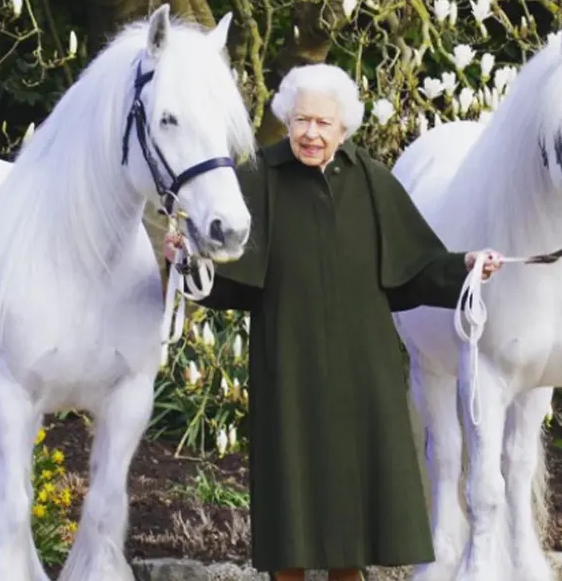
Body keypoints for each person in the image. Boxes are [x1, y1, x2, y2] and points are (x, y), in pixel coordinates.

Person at [164, 63, 504, 581]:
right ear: (287, 119)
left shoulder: (370, 180)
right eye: (301, 120)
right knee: (290, 515)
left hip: (360, 375)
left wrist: (466, 265)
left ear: (343, 127)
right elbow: (228, 277)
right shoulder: (259, 178)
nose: (311, 133)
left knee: (355, 518)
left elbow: (414, 268)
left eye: (323, 123)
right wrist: (188, 260)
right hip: (289, 371)